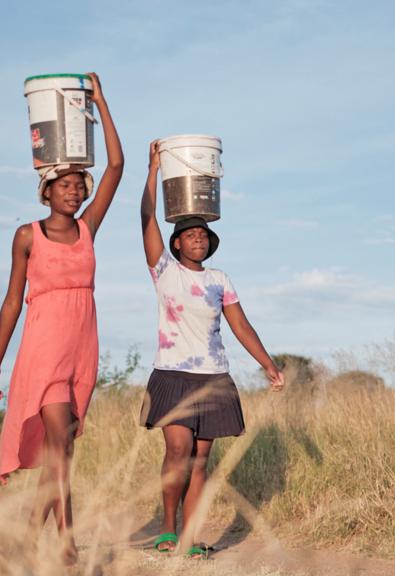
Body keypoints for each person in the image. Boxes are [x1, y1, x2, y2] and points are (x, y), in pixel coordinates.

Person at [0, 72, 123, 566]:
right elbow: (11, 302)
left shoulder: (88, 230)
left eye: (77, 185)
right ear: (47, 190)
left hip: (81, 349)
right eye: (64, 185)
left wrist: (100, 104)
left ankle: (27, 533)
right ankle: (66, 542)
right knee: (60, 441)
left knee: (61, 451)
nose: (74, 191)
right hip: (42, 350)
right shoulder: (27, 236)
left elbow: (116, 166)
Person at [138, 140, 284, 559]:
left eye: (203, 234)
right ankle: (168, 529)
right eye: (189, 234)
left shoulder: (220, 279)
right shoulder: (164, 271)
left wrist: (268, 364)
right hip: (172, 375)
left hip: (214, 377)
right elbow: (147, 216)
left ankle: (191, 536)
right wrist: (152, 171)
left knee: (201, 462)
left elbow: (240, 324)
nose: (197, 238)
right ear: (177, 244)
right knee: (178, 451)